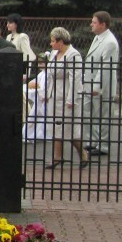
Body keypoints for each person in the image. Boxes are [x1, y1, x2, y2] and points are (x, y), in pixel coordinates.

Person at [44, 27, 88, 171]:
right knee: (56, 127)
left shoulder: (73, 55)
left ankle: (83, 153)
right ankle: (58, 157)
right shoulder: (54, 53)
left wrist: (71, 100)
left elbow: (75, 79)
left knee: (69, 129)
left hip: (67, 97)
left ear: (61, 41)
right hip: (54, 96)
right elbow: (49, 74)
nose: (51, 44)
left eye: (53, 41)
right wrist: (45, 93)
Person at [84, 11, 120, 157]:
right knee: (91, 114)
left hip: (102, 87)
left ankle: (103, 145)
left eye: (94, 22)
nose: (91, 24)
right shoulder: (98, 37)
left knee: (103, 116)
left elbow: (105, 67)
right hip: (91, 83)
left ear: (103, 24)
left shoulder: (110, 42)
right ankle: (93, 141)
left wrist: (96, 87)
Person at [24, 53, 50, 141]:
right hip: (40, 97)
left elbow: (45, 87)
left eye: (41, 63)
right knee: (37, 116)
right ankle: (32, 133)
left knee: (41, 116)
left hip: (44, 98)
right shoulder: (42, 73)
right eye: (38, 63)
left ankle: (37, 134)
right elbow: (36, 82)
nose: (39, 65)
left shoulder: (48, 74)